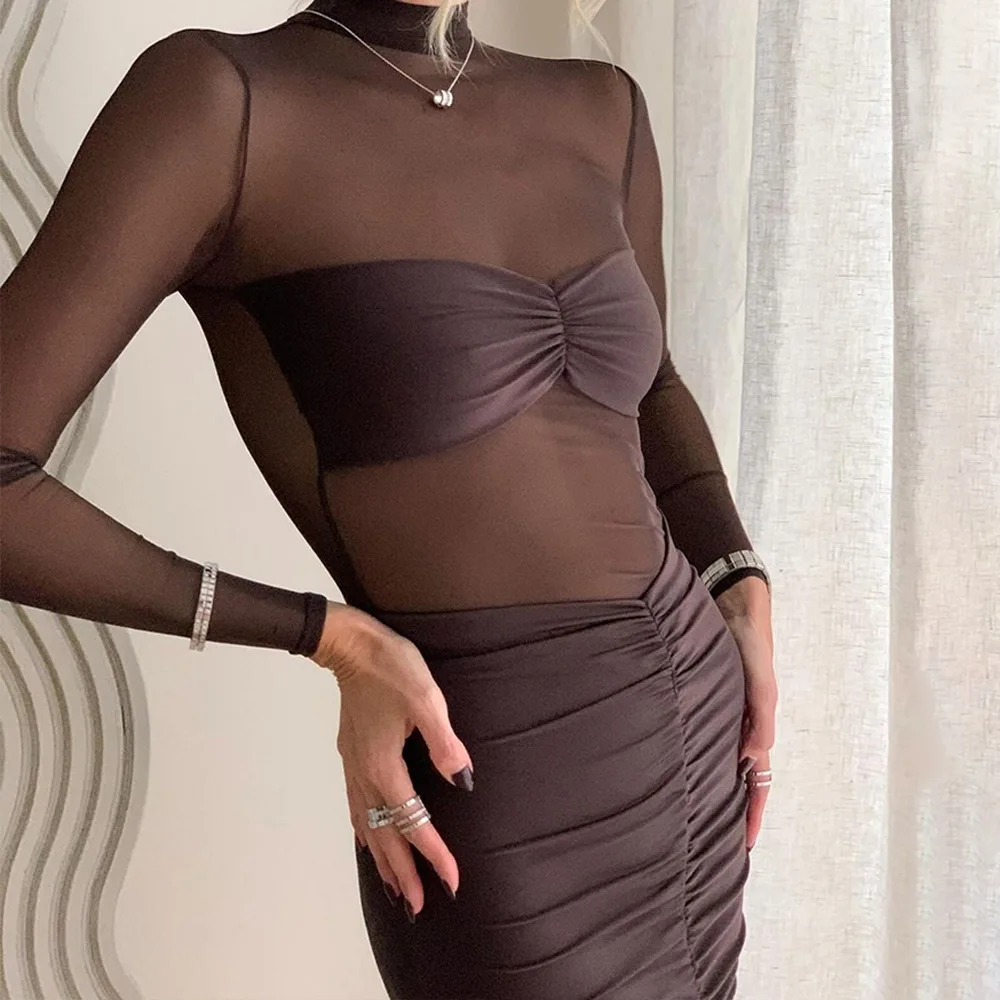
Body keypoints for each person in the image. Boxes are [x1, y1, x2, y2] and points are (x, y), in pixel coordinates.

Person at [0, 0, 778, 996]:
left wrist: (737, 573)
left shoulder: (601, 106)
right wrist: (326, 635)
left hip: (692, 719)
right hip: (488, 759)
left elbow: (650, 384)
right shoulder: (220, 102)